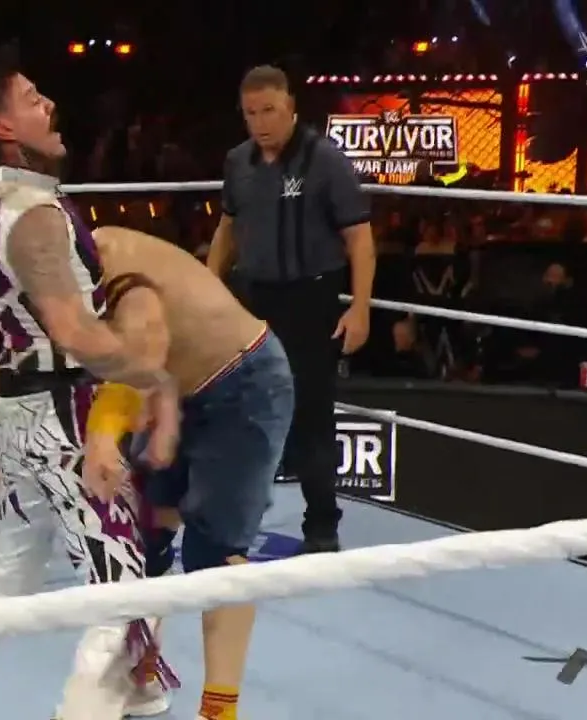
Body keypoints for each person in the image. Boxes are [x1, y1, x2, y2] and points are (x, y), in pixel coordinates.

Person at [0, 44, 181, 720]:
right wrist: (152, 378)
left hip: (18, 410)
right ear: (2, 127)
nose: (50, 104)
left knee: (5, 580)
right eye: (33, 99)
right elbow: (73, 331)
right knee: (119, 592)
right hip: (65, 412)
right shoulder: (29, 214)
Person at [85, 225, 295, 720]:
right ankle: (143, 674)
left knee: (215, 553)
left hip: (242, 379)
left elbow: (142, 352)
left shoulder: (112, 263)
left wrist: (105, 433)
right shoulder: (56, 282)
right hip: (173, 390)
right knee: (145, 532)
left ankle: (220, 712)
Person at [206, 65, 376, 553]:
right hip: (253, 298)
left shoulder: (325, 159)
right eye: (251, 113)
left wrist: (360, 308)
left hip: (311, 299)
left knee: (311, 413)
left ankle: (321, 527)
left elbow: (360, 238)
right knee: (243, 409)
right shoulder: (238, 162)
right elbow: (227, 228)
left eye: (269, 111)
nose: (261, 122)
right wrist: (209, 287)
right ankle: (235, 522)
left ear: (291, 107)